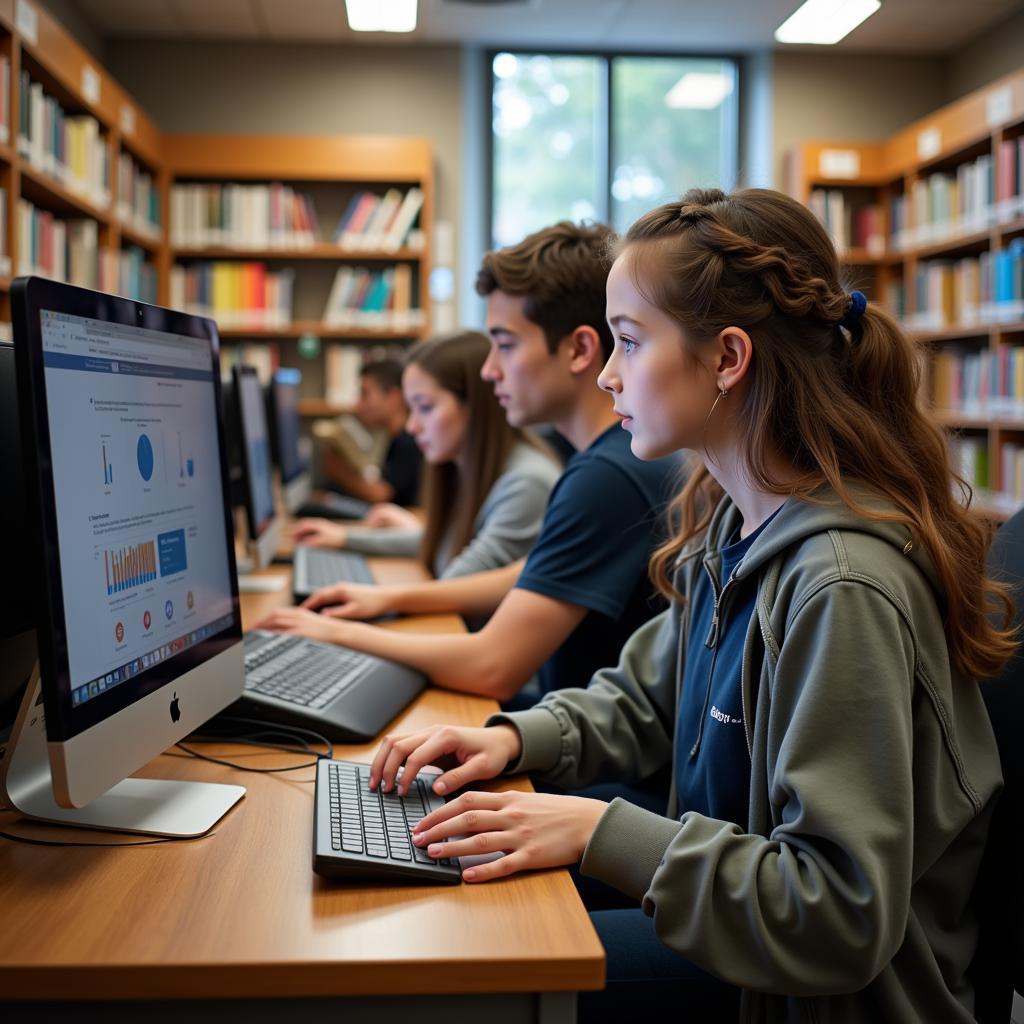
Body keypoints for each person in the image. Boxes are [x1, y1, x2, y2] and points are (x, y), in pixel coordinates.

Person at [365, 188, 1012, 1022]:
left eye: (629, 343)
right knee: (471, 909)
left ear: (728, 358)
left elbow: (838, 914)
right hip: (742, 935)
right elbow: (644, 698)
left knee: (481, 968)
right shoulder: (731, 525)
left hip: (810, 993)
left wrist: (594, 831)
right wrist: (508, 738)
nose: (605, 375)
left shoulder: (839, 586)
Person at [255, 222, 680, 704]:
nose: (488, 370)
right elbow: (527, 572)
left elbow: (492, 668)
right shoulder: (603, 459)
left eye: (505, 344)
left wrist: (334, 633)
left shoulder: (607, 477)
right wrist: (388, 598)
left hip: (591, 760)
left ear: (579, 349)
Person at [294, 330, 561, 579]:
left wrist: (371, 599)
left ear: (476, 407)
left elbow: (457, 585)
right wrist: (345, 540)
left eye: (425, 407)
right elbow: (441, 543)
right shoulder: (469, 470)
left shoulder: (526, 483)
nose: (412, 426)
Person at [321, 358, 423, 506]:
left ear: (393, 398)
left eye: (365, 394)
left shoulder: (409, 442)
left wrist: (338, 471)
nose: (358, 405)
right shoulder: (395, 438)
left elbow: (381, 495)